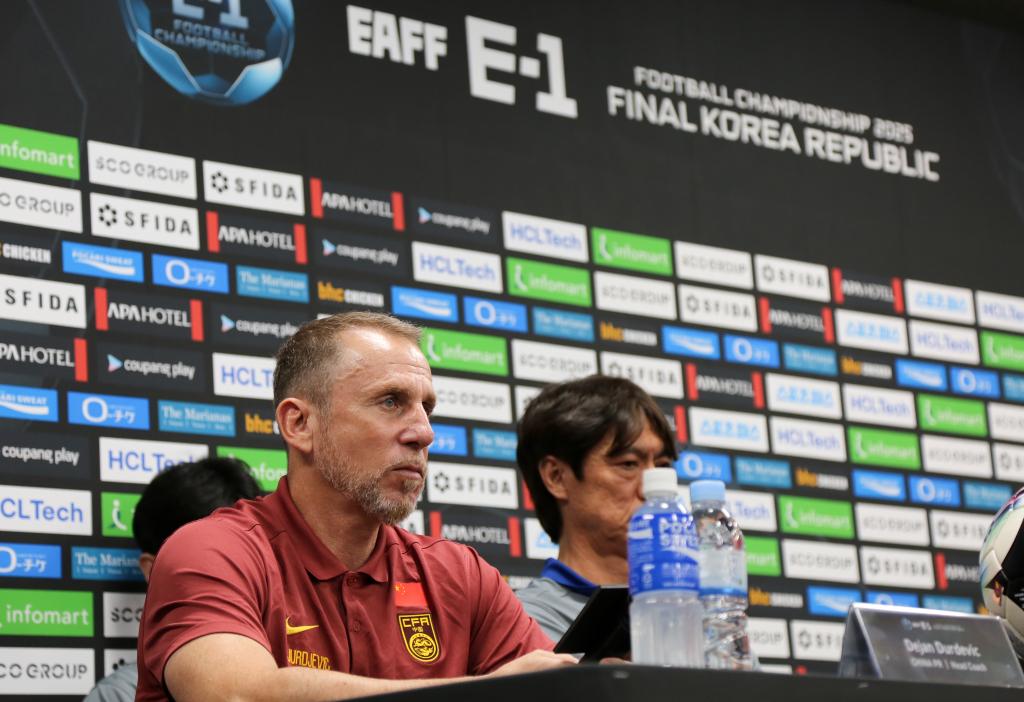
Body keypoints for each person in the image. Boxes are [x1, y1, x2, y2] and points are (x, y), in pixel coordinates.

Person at [136, 312, 574, 702]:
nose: (424, 433)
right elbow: (237, 695)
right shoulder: (211, 551)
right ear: (299, 423)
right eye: (391, 401)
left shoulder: (461, 575)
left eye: (427, 408)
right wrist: (484, 693)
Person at [83, 457, 263, 702]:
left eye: (244, 558)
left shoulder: (297, 665)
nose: (231, 579)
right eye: (209, 563)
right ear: (152, 570)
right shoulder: (118, 696)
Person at [515, 375, 678, 642]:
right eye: (628, 464)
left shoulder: (695, 611)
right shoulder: (521, 625)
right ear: (557, 477)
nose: (652, 489)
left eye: (662, 466)